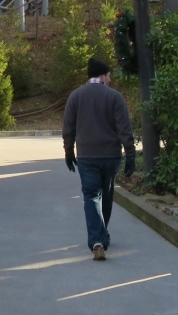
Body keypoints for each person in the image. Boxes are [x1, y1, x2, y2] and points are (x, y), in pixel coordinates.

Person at [62, 58, 135, 261]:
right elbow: (124, 128)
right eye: (109, 75)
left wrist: (69, 151)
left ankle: (97, 239)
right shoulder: (115, 97)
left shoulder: (75, 96)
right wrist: (130, 153)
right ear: (102, 76)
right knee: (107, 194)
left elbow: (68, 128)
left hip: (86, 156)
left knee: (91, 196)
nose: (110, 79)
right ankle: (101, 236)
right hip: (111, 156)